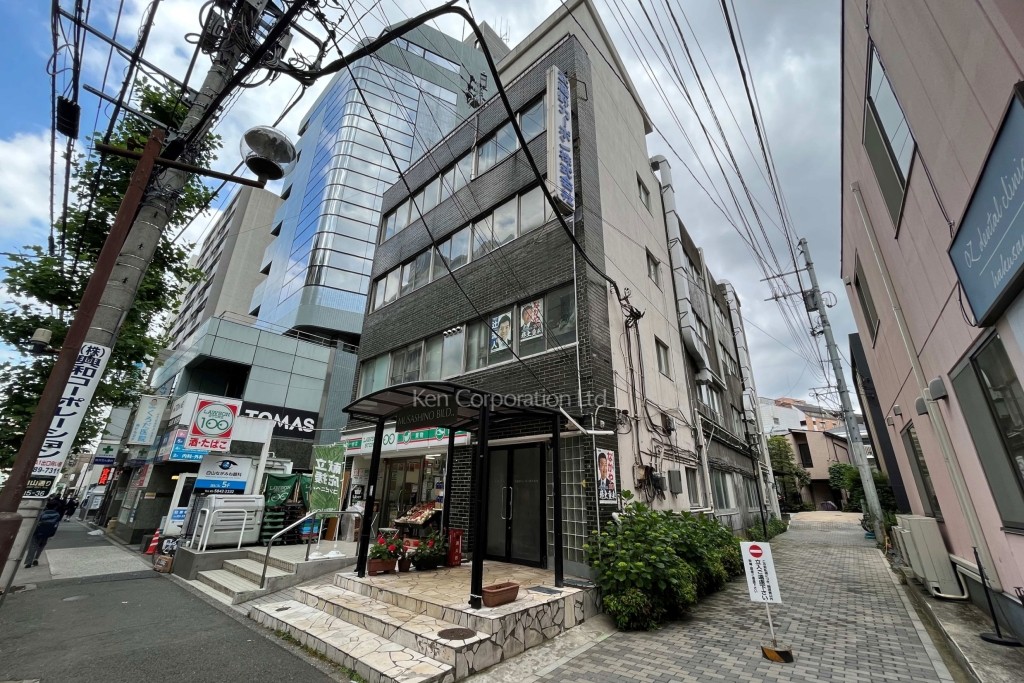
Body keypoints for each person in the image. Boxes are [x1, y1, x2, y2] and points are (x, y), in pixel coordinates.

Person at [25, 499, 62, 568]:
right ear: (56, 507)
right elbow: (56, 525)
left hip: (37, 531)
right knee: (41, 546)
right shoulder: (57, 515)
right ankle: (36, 558)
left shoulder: (42, 513)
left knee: (33, 546)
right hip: (47, 533)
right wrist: (52, 533)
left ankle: (29, 562)